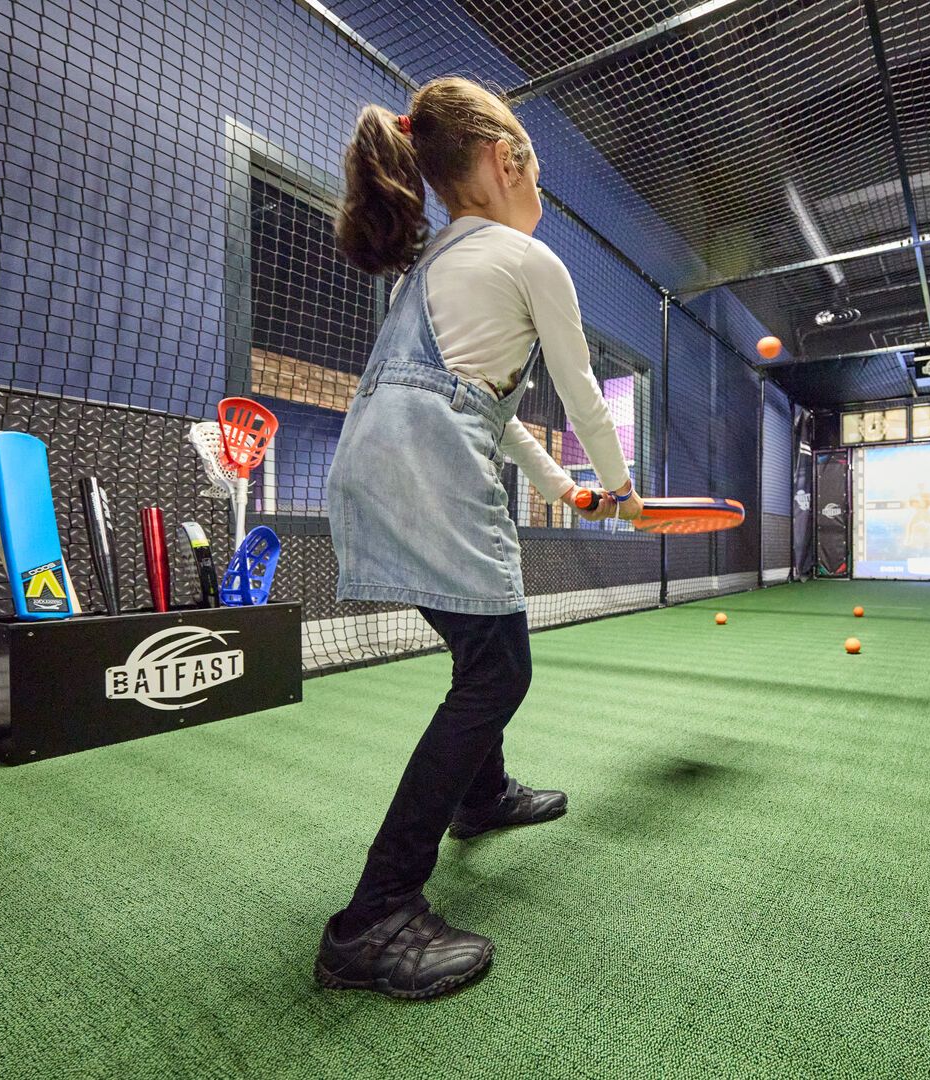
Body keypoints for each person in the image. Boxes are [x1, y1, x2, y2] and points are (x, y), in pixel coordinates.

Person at [317, 77, 642, 999]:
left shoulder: (433, 268)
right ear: (507, 162)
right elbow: (580, 394)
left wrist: (560, 486)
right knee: (498, 668)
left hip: (374, 464)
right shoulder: (525, 257)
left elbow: (489, 408)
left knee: (477, 648)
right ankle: (374, 915)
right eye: (534, 166)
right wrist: (620, 489)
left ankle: (481, 795)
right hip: (423, 467)